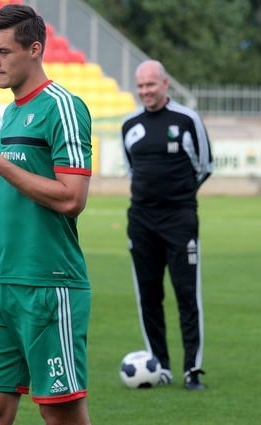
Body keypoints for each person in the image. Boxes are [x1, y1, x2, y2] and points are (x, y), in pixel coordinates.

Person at [0, 4, 93, 424]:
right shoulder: (12, 110)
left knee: (61, 414)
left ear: (35, 49)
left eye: (3, 51)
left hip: (48, 285)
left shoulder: (63, 107)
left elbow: (72, 198)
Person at [121, 59, 213, 390]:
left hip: (180, 219)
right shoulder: (129, 124)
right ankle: (160, 366)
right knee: (149, 295)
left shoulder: (188, 120)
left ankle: (192, 370)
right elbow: (133, 170)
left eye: (151, 85)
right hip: (141, 220)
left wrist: (177, 199)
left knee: (187, 294)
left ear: (165, 84)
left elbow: (205, 166)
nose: (145, 91)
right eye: (140, 86)